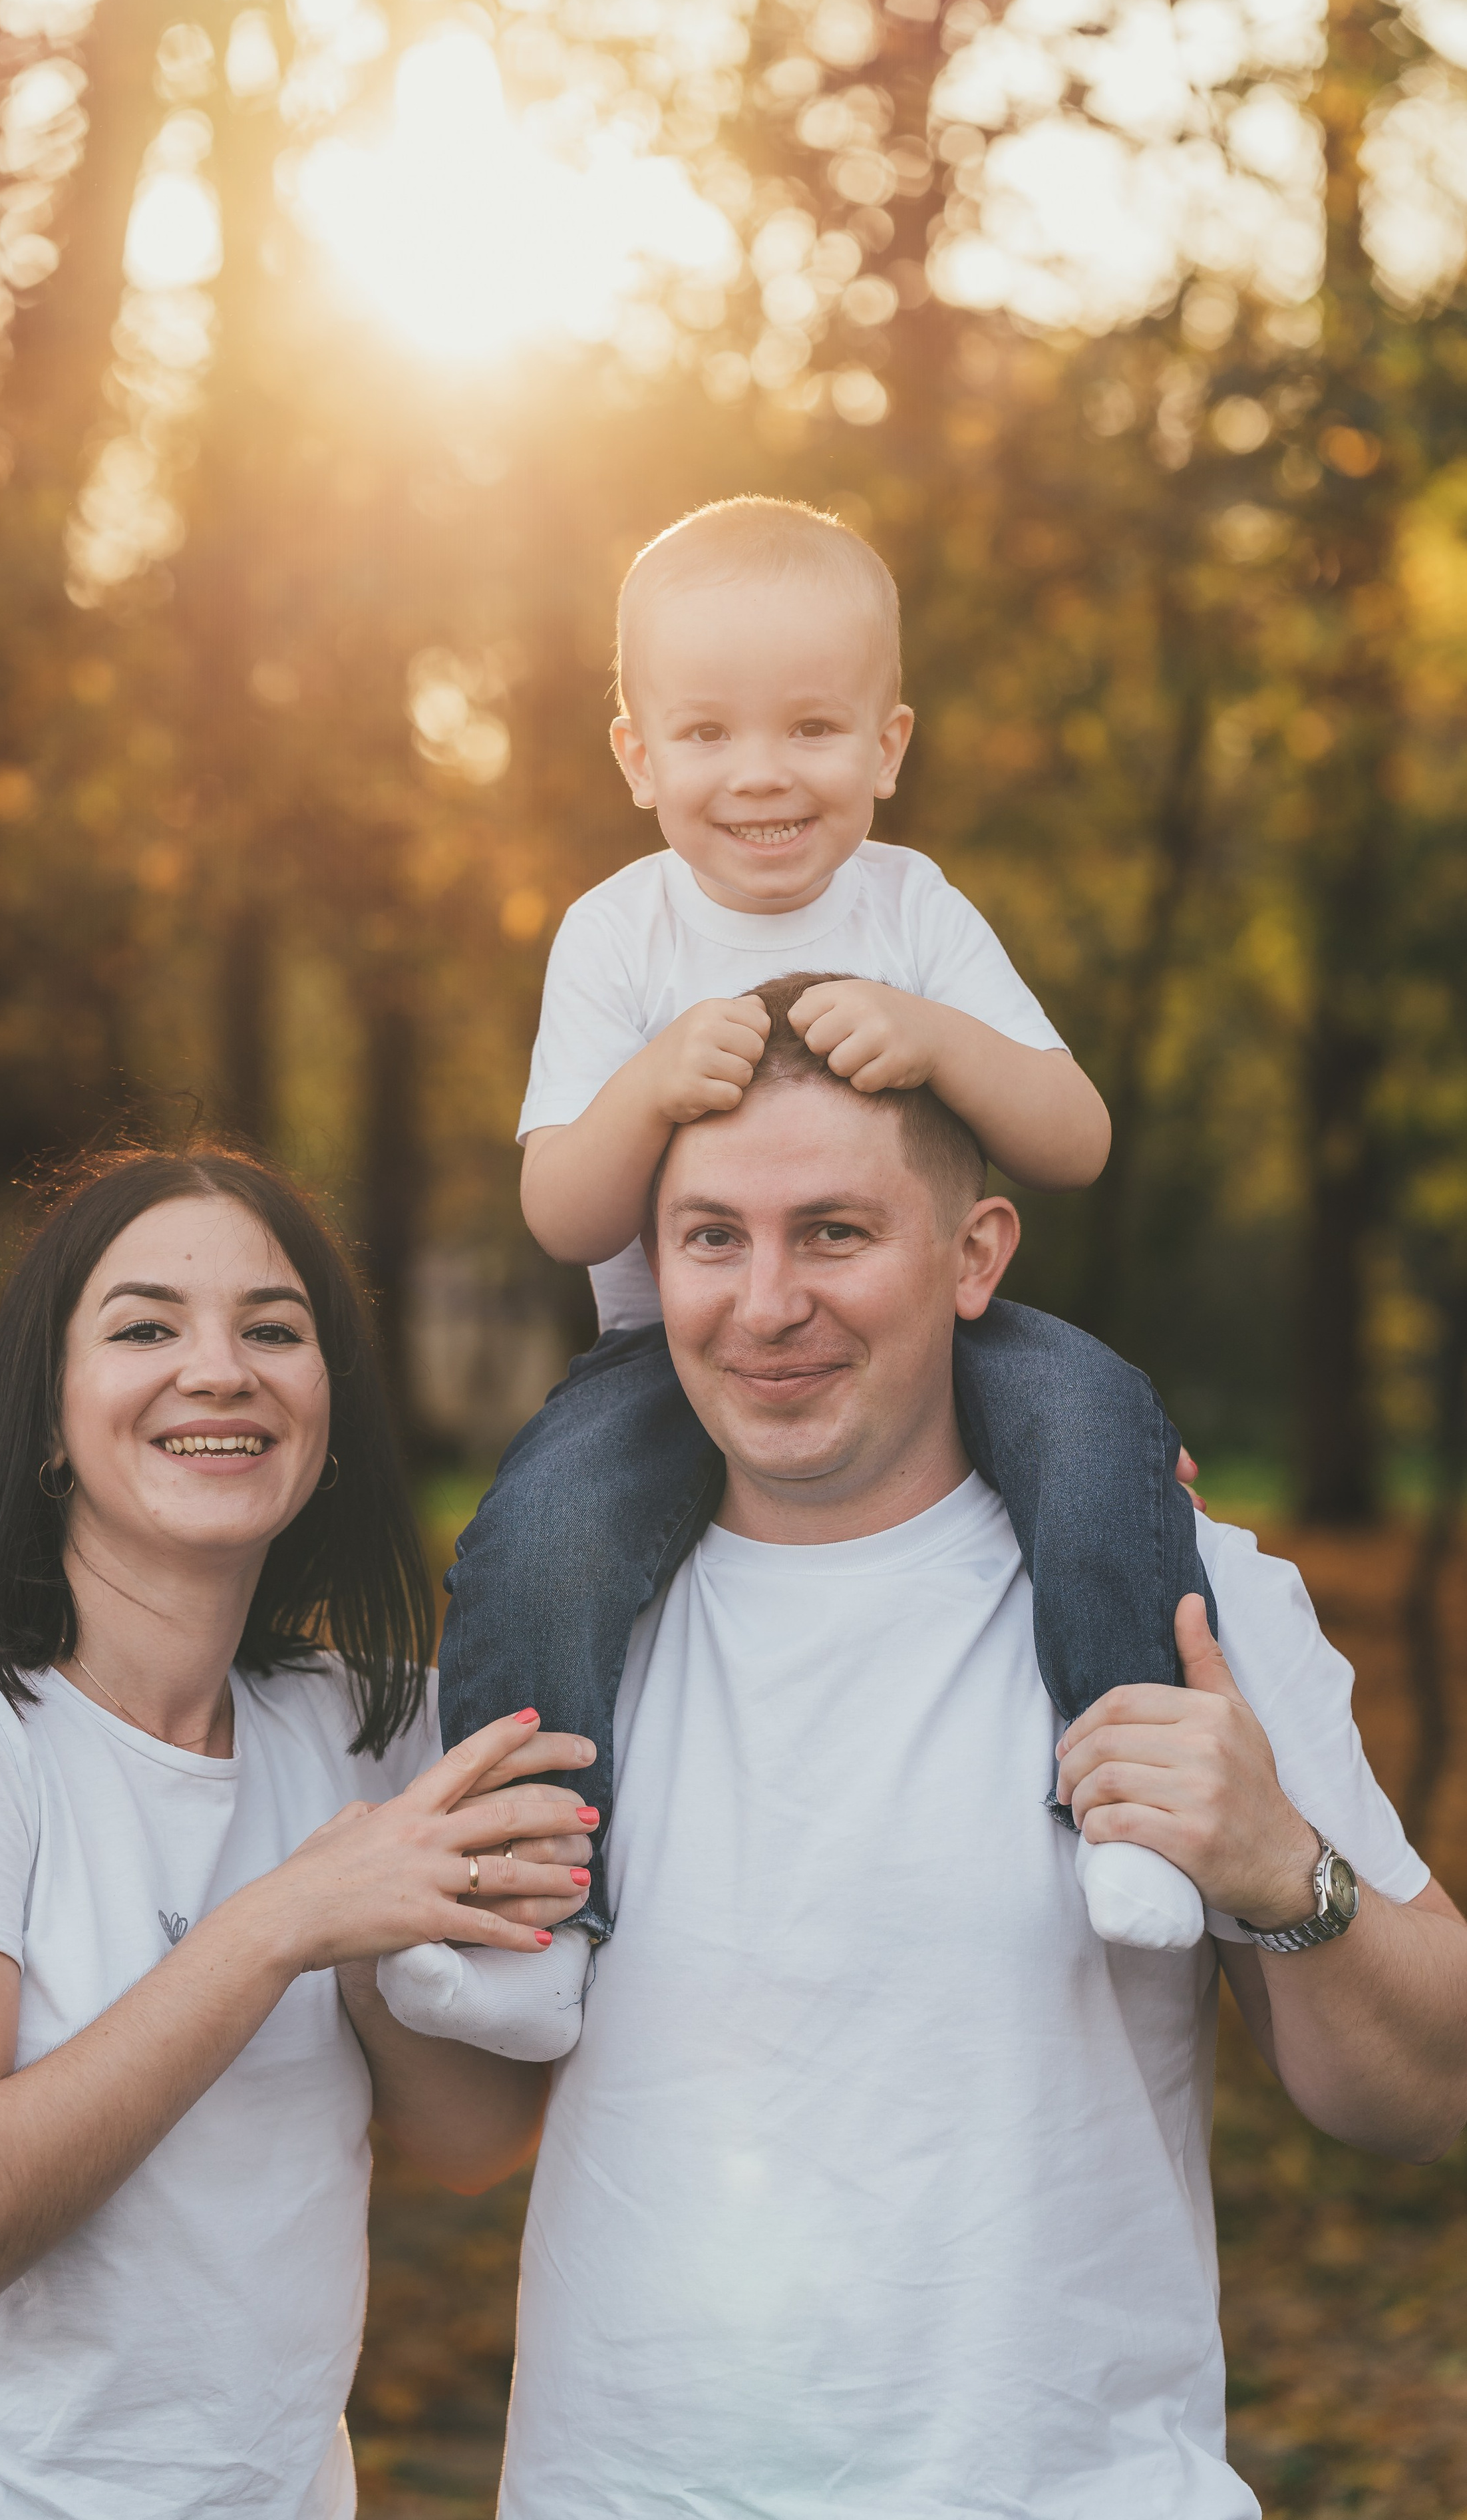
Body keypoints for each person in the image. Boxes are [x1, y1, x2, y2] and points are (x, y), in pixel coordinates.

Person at [496, 1008, 1467, 2517]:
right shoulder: (540, 1640)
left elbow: (1431, 2099)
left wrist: (1285, 1871)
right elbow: (455, 2123)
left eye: (834, 1233)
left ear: (974, 1257)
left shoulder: (1180, 1598)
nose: (767, 1304)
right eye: (711, 1239)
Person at [383, 495, 1210, 2064]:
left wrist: (940, 1038)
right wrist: (645, 1088)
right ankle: (532, 1914)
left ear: (886, 746)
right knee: (540, 1542)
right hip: (669, 1357)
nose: (759, 773)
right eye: (705, 732)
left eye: (811, 727)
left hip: (929, 1333)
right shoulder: (617, 936)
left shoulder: (913, 909)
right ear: (636, 757)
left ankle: (1133, 1813)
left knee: (1101, 1430)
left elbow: (1076, 1135)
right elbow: (560, 1210)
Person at [0, 1146, 595, 2520]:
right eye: (145, 1329)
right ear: (48, 1419)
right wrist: (279, 1924)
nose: (219, 1370)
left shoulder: (362, 1730)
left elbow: (471, 2140)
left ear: (329, 1416)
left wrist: (368, 1941)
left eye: (273, 1330)